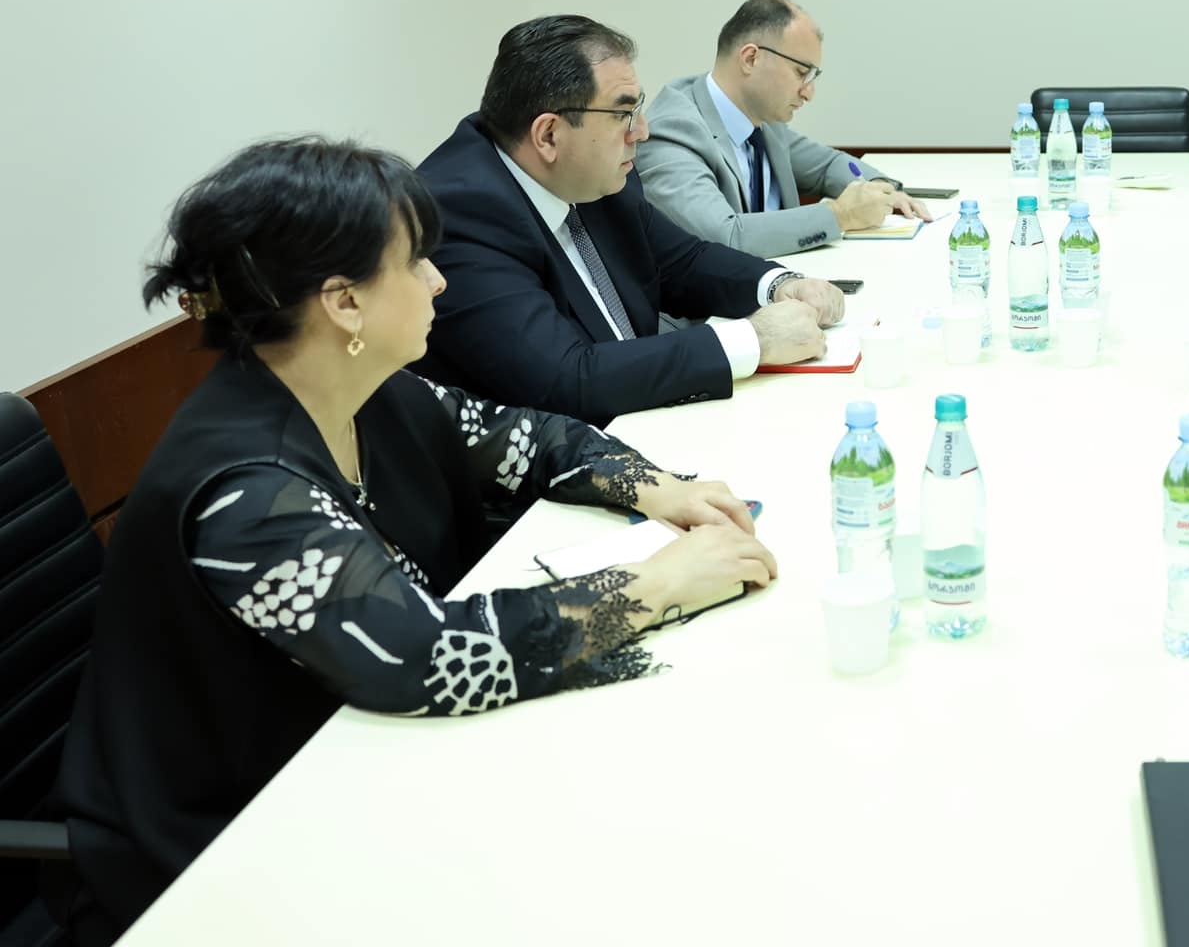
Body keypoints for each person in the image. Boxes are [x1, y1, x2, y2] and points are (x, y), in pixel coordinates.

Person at [51, 138, 779, 944]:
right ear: (344, 303)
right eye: (416, 261)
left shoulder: (361, 389)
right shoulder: (245, 493)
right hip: (226, 854)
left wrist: (659, 488)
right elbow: (425, 656)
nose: (439, 280)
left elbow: (529, 438)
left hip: (361, 763)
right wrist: (659, 583)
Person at [414, 15, 846, 424]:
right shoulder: (461, 214)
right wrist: (753, 340)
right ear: (549, 135)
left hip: (639, 421)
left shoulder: (592, 174)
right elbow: (564, 379)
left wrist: (778, 285)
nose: (642, 131)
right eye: (623, 114)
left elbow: (684, 262)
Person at [638, 0, 930, 257]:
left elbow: (827, 165)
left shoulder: (763, 121)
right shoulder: (672, 132)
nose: (809, 93)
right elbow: (725, 238)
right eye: (801, 73)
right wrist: (840, 215)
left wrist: (880, 189)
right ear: (750, 58)